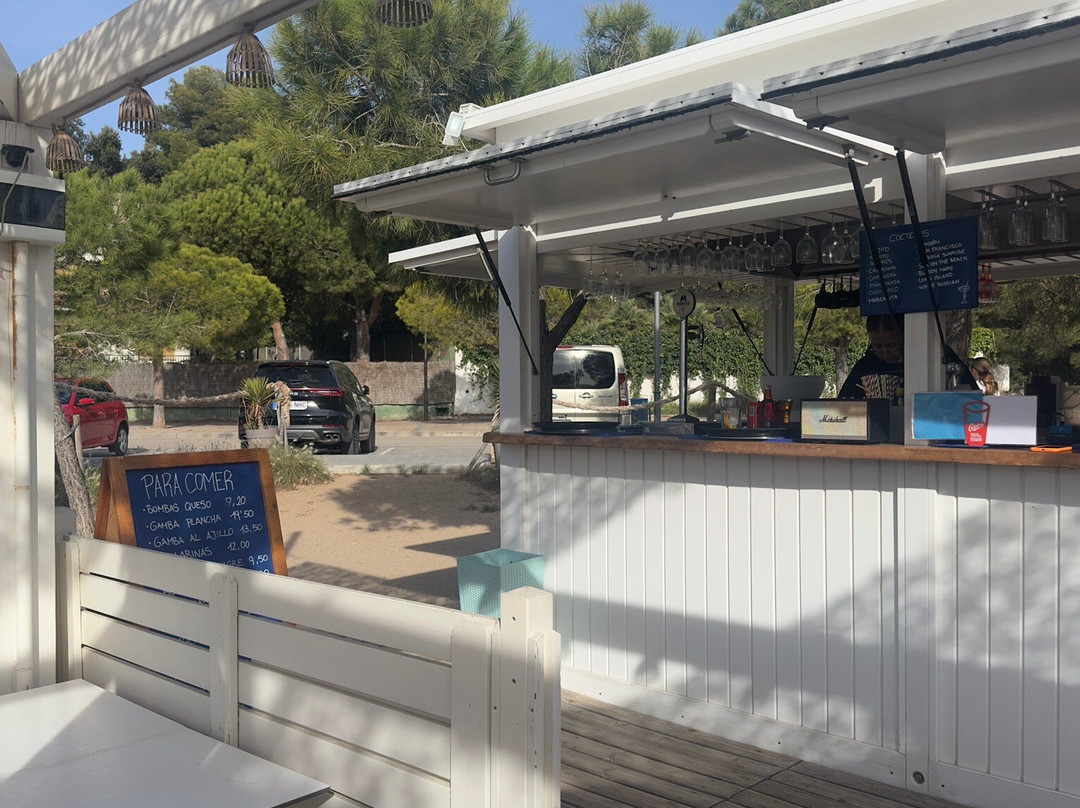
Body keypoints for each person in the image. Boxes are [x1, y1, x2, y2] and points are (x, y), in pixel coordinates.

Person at [838, 313, 977, 400]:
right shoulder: (868, 364)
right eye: (878, 347)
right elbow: (846, 400)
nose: (885, 353)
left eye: (892, 345)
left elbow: (969, 393)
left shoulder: (935, 354)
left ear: (906, 335)